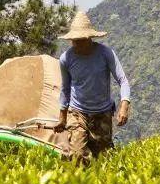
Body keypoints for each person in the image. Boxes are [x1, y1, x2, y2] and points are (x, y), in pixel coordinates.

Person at [53, 11, 131, 163]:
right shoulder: (66, 59)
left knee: (102, 158)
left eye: (80, 40)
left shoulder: (105, 54)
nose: (77, 44)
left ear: (89, 38)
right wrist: (62, 117)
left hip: (102, 113)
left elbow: (123, 81)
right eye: (74, 40)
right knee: (77, 155)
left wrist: (124, 106)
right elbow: (65, 88)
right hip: (77, 113)